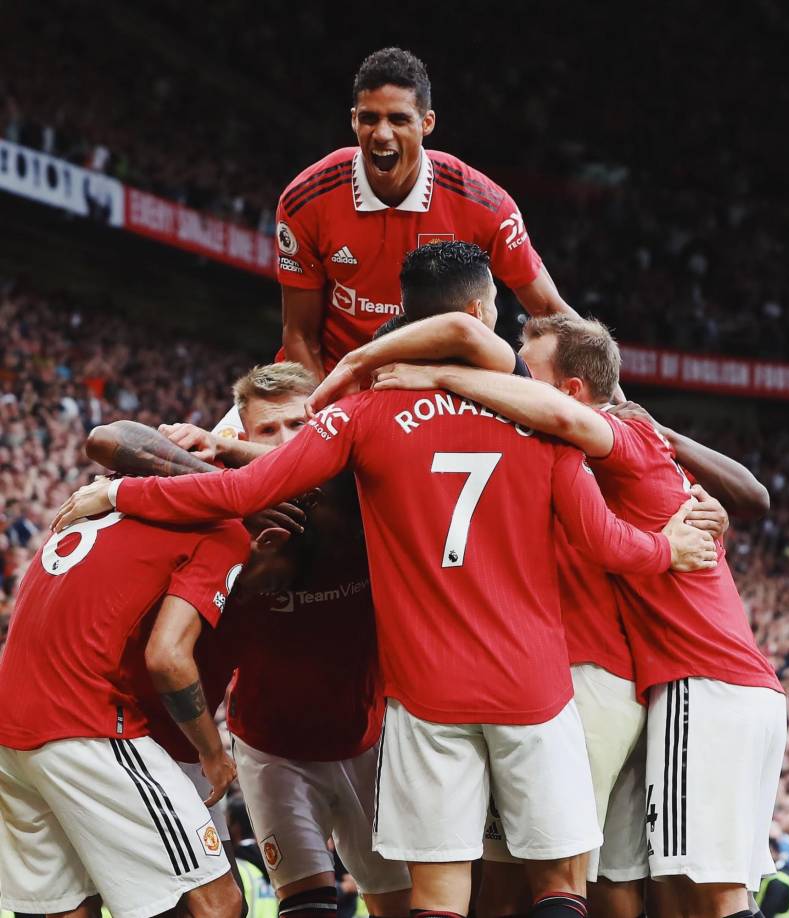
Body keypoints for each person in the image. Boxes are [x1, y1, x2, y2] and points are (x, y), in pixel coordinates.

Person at [52, 247, 716, 918]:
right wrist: (669, 548)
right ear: (482, 314)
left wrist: (126, 494)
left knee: (437, 894)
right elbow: (604, 540)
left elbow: (242, 487)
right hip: (532, 685)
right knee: (560, 883)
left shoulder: (359, 419)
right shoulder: (539, 418)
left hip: (423, 696)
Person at [370, 313, 784, 918]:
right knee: (642, 886)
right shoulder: (608, 455)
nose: (511, 377)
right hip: (657, 684)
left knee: (554, 876)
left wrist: (435, 377)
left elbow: (750, 495)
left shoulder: (598, 443)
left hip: (674, 680)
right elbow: (746, 496)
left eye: (524, 370)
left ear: (571, 393)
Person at [87, 362, 412, 918]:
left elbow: (326, 469)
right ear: (243, 436)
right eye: (268, 431)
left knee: (399, 907)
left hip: (369, 742)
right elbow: (105, 439)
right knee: (307, 906)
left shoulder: (361, 497)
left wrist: (232, 457)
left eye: (299, 426)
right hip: (269, 747)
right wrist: (217, 474)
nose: (287, 442)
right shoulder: (226, 510)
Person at [0, 491, 250, 917]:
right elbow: (168, 659)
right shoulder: (223, 528)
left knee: (67, 907)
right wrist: (214, 754)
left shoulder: (89, 510)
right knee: (218, 901)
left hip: (11, 735)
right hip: (86, 724)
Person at [276, 46, 575, 382]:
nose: (382, 133)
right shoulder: (306, 198)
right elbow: (300, 335)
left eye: (399, 119)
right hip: (334, 383)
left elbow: (549, 312)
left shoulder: (485, 205)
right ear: (353, 119)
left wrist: (613, 404)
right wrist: (328, 417)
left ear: (426, 123)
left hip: (436, 391)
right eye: (369, 118)